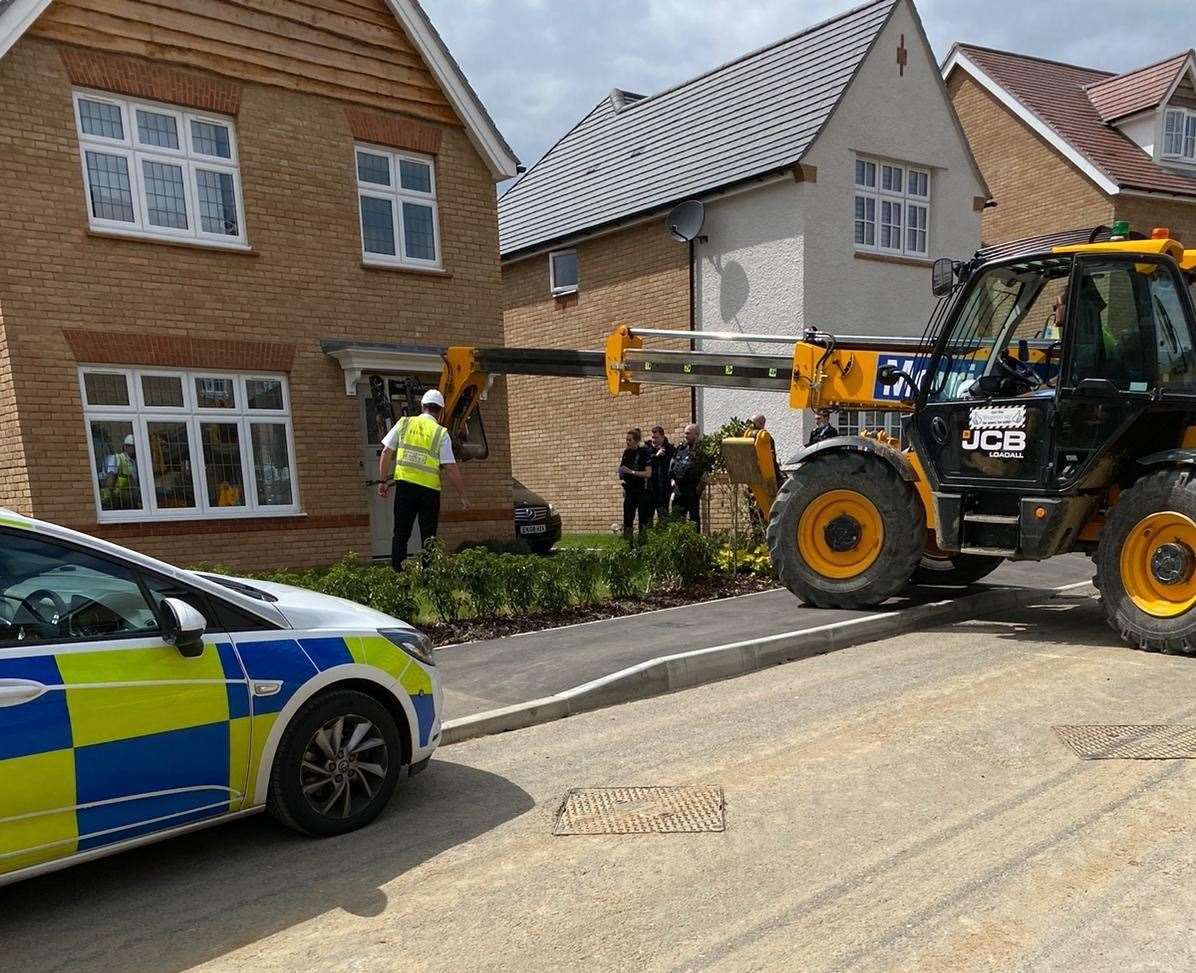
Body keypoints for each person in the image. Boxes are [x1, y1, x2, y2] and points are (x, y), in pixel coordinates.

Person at [377, 388, 468, 569]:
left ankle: (398, 576)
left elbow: (387, 451)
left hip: (405, 488)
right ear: (441, 411)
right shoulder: (441, 433)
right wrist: (463, 495)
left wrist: (382, 481)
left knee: (401, 534)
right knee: (429, 538)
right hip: (429, 492)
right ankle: (428, 578)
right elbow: (450, 467)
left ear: (422, 406)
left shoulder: (404, 423)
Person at [618, 428, 653, 543]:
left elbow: (648, 473)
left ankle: (643, 544)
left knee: (643, 520)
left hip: (642, 491)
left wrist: (631, 472)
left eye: (630, 440)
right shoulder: (626, 453)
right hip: (629, 491)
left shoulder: (644, 452)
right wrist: (622, 477)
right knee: (628, 519)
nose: (627, 442)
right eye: (626, 440)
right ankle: (628, 544)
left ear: (636, 441)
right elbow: (622, 469)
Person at [670, 423, 706, 529]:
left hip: (692, 489)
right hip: (678, 489)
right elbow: (672, 467)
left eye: (688, 433)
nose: (685, 436)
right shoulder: (681, 449)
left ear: (696, 434)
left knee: (694, 519)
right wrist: (672, 482)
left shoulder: (701, 450)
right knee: (677, 518)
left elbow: (706, 471)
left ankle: (694, 543)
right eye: (685, 433)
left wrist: (699, 488)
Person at [101, 433, 139, 510]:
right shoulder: (116, 458)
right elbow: (110, 481)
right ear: (125, 447)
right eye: (133, 447)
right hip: (118, 503)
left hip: (131, 502)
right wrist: (108, 501)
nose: (136, 449)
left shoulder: (135, 462)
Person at [647, 425, 675, 524]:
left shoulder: (670, 450)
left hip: (664, 489)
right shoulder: (649, 450)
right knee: (648, 517)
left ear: (663, 437)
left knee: (663, 516)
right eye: (653, 437)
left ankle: (663, 537)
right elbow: (645, 464)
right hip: (650, 489)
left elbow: (673, 467)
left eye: (657, 437)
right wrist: (656, 456)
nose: (654, 440)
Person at [750, 413, 783, 485]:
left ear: (761, 423)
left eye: (753, 423)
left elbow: (770, 457)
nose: (751, 426)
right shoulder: (750, 437)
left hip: (768, 471)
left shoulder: (765, 438)